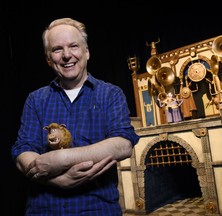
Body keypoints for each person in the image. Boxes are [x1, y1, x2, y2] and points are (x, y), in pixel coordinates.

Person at [11, 17, 140, 216]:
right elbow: (22, 151)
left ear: (86, 52)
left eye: (73, 46)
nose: (66, 55)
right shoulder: (35, 99)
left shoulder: (111, 94)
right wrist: (57, 181)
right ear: (48, 58)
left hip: (97, 209)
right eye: (57, 49)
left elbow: (123, 144)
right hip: (43, 209)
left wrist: (62, 158)